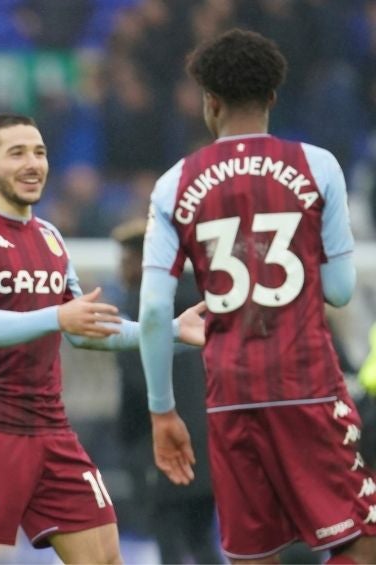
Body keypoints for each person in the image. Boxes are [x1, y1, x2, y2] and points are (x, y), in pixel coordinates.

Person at [138, 28, 376, 564]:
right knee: (360, 540)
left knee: (253, 553)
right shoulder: (318, 166)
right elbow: (339, 291)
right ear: (272, 97)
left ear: (210, 103)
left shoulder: (175, 183)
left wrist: (163, 413)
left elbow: (154, 311)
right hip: (309, 386)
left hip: (231, 395)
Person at [0, 114, 206, 564]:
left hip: (51, 429)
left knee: (105, 557)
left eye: (39, 152)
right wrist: (58, 315)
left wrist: (171, 332)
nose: (33, 163)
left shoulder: (51, 238)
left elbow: (87, 331)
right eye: (17, 153)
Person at [111, 218, 221, 564]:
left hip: (159, 444)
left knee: (168, 538)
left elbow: (136, 387)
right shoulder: (205, 304)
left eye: (126, 260)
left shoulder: (139, 311)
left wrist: (129, 446)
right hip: (210, 439)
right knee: (202, 537)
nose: (120, 269)